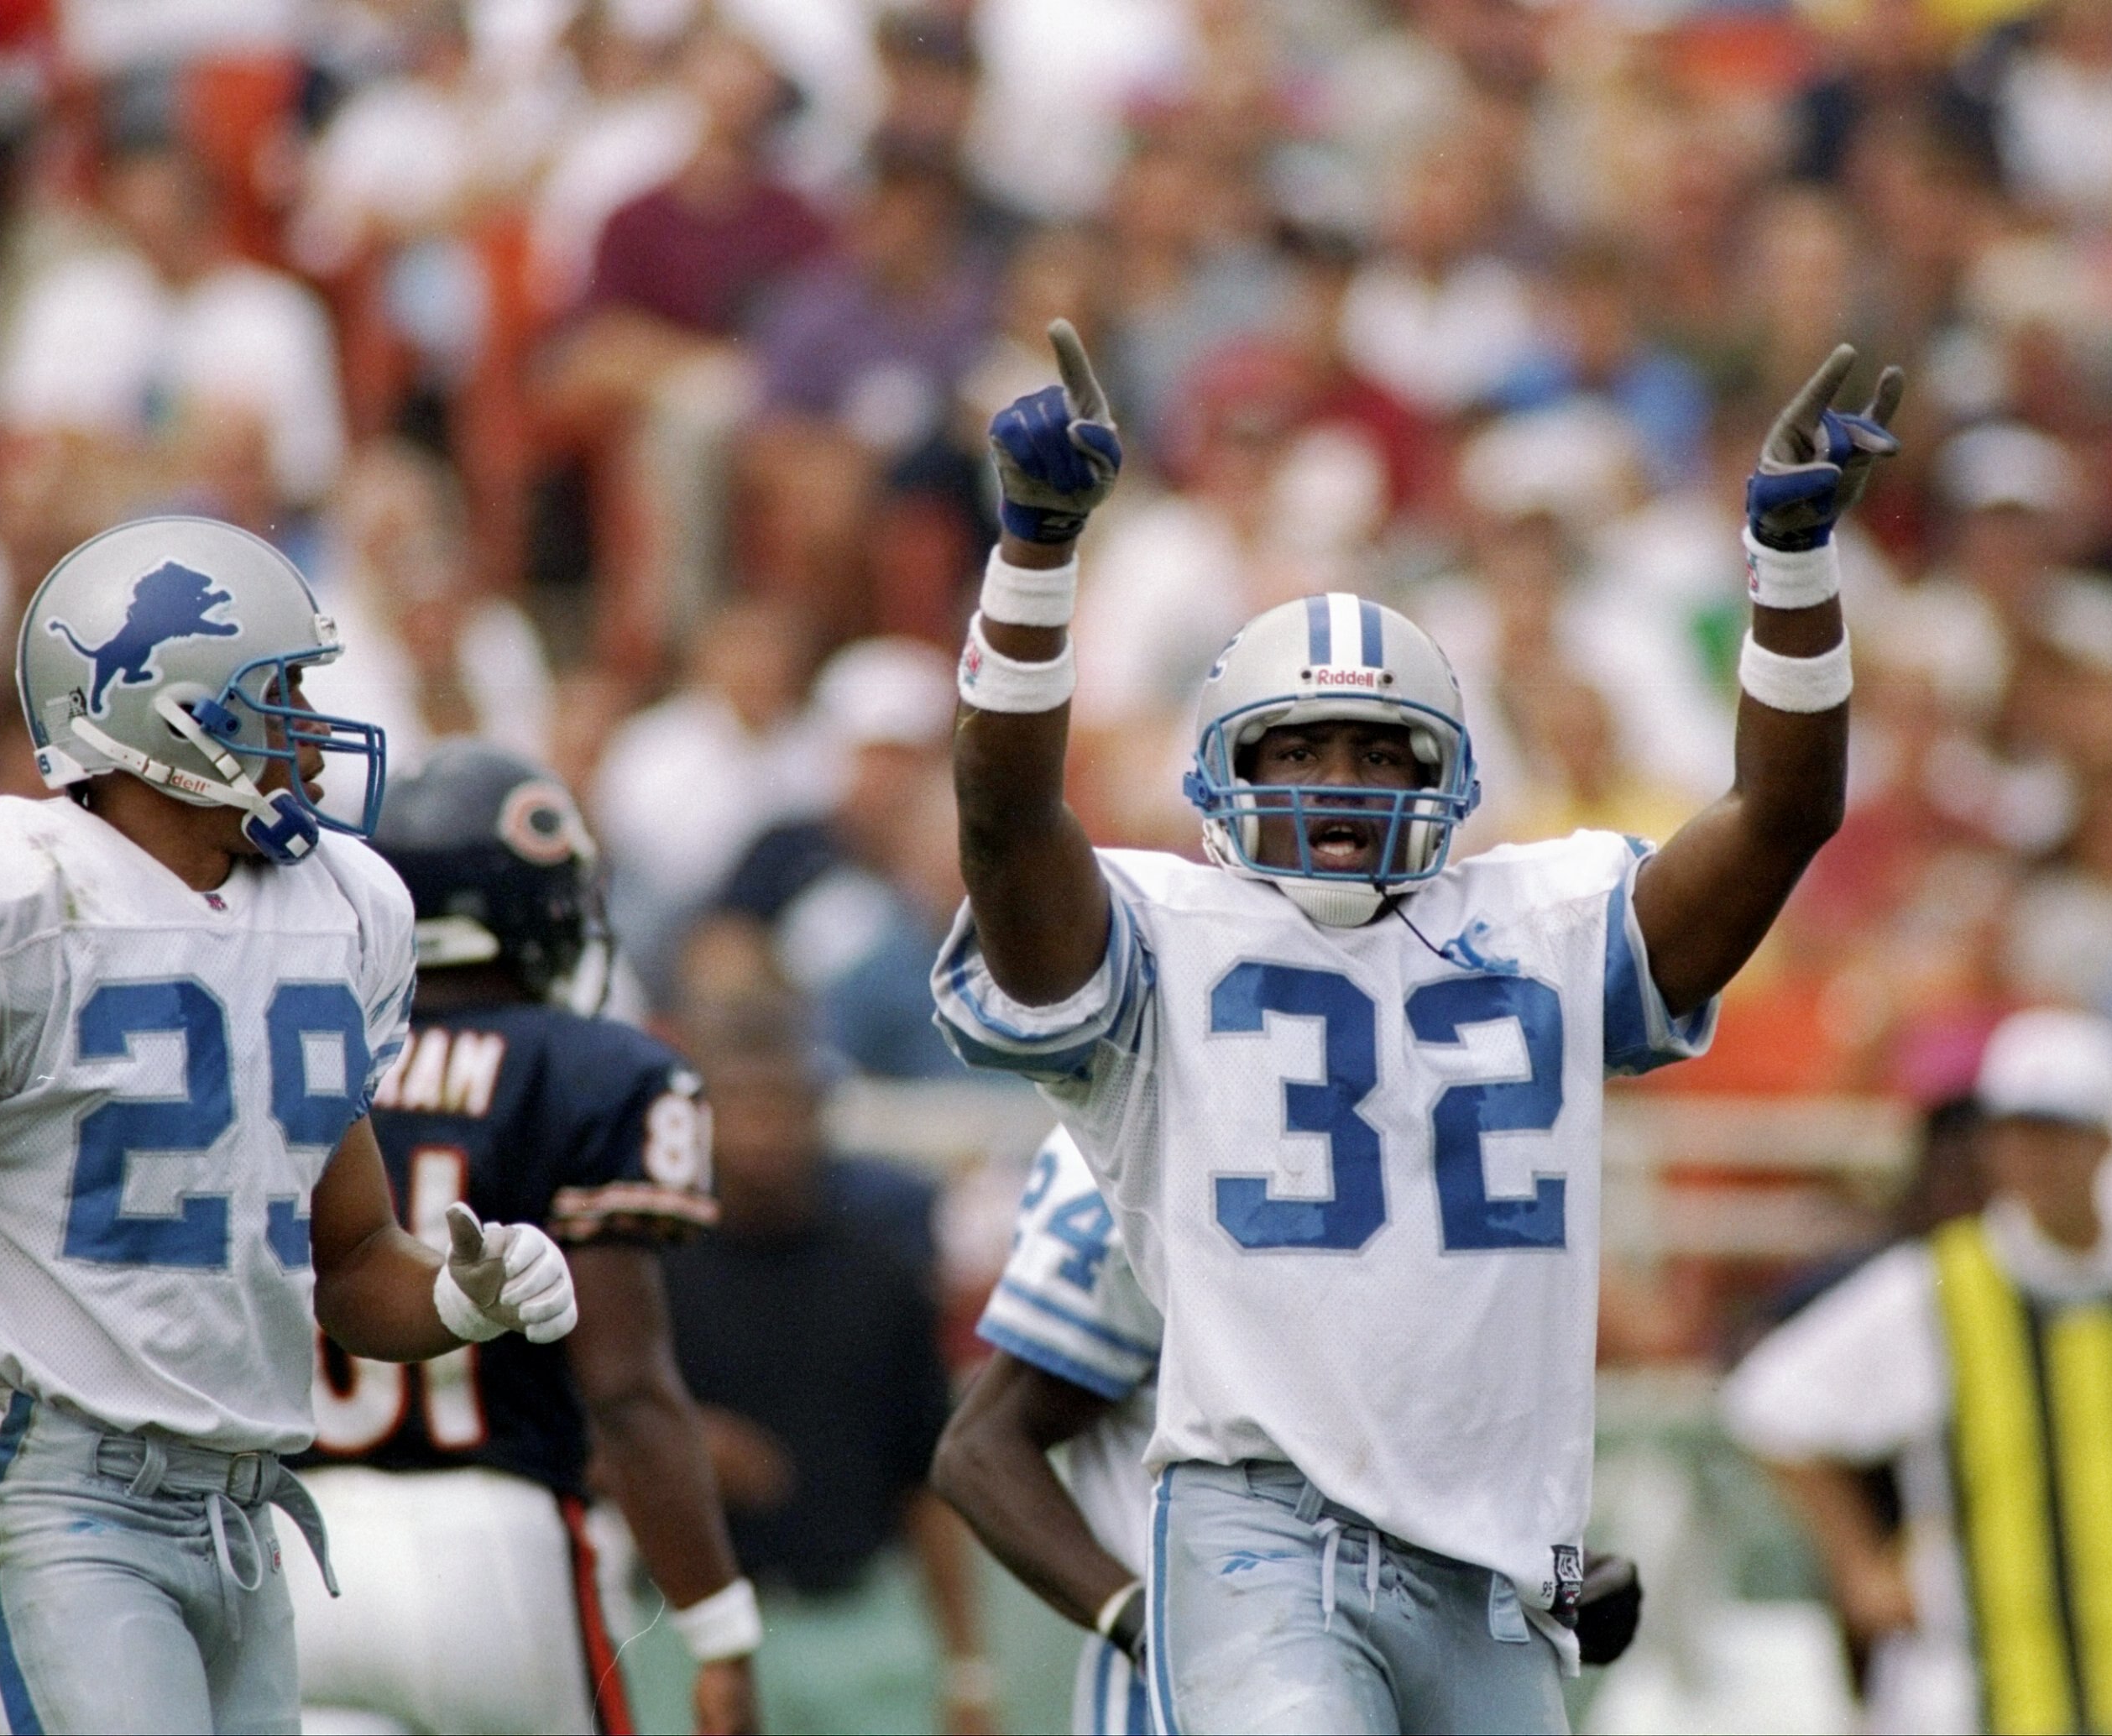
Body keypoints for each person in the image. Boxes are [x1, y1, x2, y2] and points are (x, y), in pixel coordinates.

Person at [933, 322, 1896, 1733]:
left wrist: (1793, 571)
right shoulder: (1162, 932)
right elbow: (1007, 821)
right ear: (1221, 770)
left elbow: (1781, 815)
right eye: (1299, 747)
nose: (1340, 781)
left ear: (1448, 772)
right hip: (1259, 1531)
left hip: (1497, 1559)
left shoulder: (1546, 917)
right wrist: (1033, 557)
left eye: (1380, 751)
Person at [0, 516, 577, 1732]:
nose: (312, 729)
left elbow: (352, 1258)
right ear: (169, 716)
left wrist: (464, 1297)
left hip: (246, 1515)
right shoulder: (30, 899)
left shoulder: (347, 908)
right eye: (281, 694)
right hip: (55, 1499)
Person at [284, 742, 759, 1735]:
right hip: (499, 1555)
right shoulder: (590, 1071)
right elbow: (625, 1389)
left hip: (288, 1547)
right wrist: (719, 1629)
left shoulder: (303, 1046)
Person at [1723, 1009, 2112, 1735]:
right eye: (2016, 1133)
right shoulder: (1939, 1285)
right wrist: (1861, 1569)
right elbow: (1769, 1403)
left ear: (2108, 1141)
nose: (2034, 1157)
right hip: (1978, 1695)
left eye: (2059, 1133)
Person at [932, 1127, 1646, 1736]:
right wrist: (1154, 1625)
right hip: (1214, 1693)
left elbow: (1379, 1428)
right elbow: (983, 1448)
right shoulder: (1156, 1126)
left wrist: (1539, 1570)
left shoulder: (1410, 1096)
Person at [657, 1001, 988, 1734]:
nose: (762, 1134)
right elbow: (588, 1439)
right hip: (694, 1625)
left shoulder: (881, 1275)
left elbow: (926, 1480)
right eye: (742, 1110)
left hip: (858, 1625)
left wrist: (967, 1670)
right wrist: (680, 1443)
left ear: (817, 1116)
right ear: (704, 1123)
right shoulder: (655, 1275)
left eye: (780, 1109)